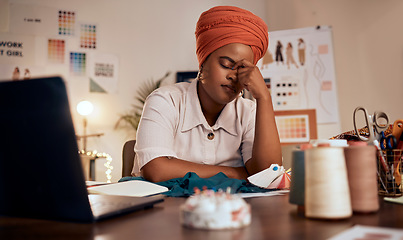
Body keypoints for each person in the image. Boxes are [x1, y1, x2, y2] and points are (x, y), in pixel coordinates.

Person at [133, 6, 282, 182]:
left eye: (243, 70)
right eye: (226, 64)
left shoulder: (248, 112)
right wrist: (238, 173)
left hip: (231, 209)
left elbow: (268, 176)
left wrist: (264, 97)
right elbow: (156, 170)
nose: (233, 76)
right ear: (202, 63)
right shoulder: (165, 101)